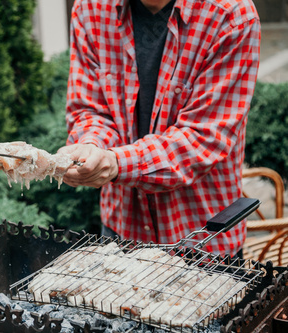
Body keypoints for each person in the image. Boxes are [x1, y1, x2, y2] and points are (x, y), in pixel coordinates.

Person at [58, 0, 261, 258]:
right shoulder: (91, 8)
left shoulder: (231, 15)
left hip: (202, 238)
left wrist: (116, 162)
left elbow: (203, 138)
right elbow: (90, 110)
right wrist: (91, 147)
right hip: (122, 231)